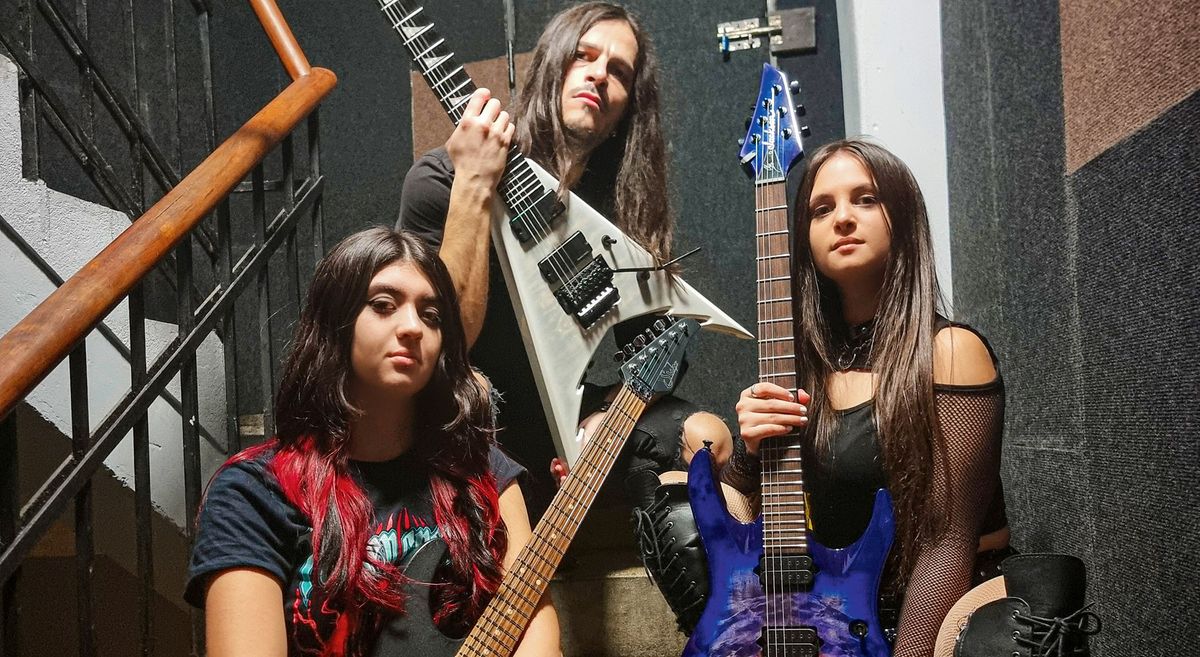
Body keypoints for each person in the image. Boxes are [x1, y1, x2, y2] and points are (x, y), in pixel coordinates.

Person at [397, 2, 741, 520]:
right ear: (553, 63)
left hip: (572, 416)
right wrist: (473, 184)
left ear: (629, 105)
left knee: (708, 440)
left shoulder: (621, 206)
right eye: (584, 55)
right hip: (471, 415)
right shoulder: (442, 182)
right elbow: (443, 342)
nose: (599, 73)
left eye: (619, 70)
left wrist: (610, 415)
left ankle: (726, 593)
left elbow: (655, 343)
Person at [184, 228, 559, 656]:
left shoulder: (483, 468)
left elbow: (532, 622)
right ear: (336, 323)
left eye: (432, 315)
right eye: (383, 305)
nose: (413, 327)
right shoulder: (253, 492)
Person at [735, 139, 1004, 656]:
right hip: (829, 619)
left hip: (934, 618)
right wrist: (749, 454)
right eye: (822, 208)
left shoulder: (949, 352)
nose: (842, 218)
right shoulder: (799, 368)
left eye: (865, 199)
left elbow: (946, 545)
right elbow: (749, 524)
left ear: (901, 216)